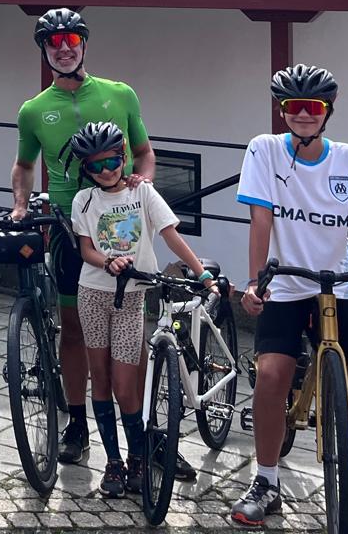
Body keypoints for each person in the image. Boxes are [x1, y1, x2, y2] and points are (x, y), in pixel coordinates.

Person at [232, 65, 348, 534]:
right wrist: (257, 283)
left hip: (341, 283)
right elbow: (261, 222)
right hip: (287, 282)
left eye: (311, 108)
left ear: (327, 113)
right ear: (282, 112)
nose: (301, 115)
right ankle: (266, 480)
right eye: (291, 107)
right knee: (273, 374)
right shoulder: (263, 150)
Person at [11, 7, 160, 468]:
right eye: (53, 42)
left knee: (131, 334)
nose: (63, 47)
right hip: (68, 227)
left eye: (70, 40)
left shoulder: (120, 93)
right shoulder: (34, 110)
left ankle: (138, 432)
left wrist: (145, 187)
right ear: (44, 50)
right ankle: (78, 422)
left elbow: (144, 153)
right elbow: (23, 166)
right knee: (74, 328)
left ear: (83, 44)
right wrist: (20, 204)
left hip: (124, 226)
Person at [69, 122, 214, 498]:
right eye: (95, 166)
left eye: (113, 160)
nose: (106, 171)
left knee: (125, 386)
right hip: (93, 295)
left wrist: (203, 276)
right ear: (85, 169)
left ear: (124, 157)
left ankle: (137, 458)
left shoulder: (143, 193)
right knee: (99, 381)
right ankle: (113, 464)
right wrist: (107, 262)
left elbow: (171, 235)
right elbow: (85, 250)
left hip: (132, 298)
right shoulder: (83, 200)